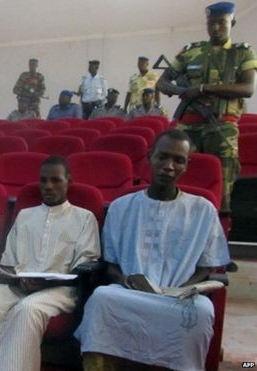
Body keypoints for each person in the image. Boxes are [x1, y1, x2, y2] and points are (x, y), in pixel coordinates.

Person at [74, 129, 231, 371]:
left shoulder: (203, 210)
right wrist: (124, 280)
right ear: (150, 157)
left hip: (177, 298)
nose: (169, 166)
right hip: (131, 294)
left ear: (187, 165)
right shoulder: (121, 207)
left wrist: (182, 289)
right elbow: (112, 264)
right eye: (163, 157)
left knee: (200, 311)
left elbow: (206, 267)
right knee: (102, 299)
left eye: (178, 160)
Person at [0, 156, 100, 371]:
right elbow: (8, 261)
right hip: (18, 285)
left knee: (27, 310)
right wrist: (14, 278)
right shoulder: (25, 215)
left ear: (68, 181)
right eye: (43, 181)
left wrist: (46, 283)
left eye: (56, 180)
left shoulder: (84, 218)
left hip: (59, 290)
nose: (48, 186)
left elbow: (85, 265)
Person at [157, 1, 256, 213]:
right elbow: (162, 83)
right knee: (173, 177)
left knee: (223, 186)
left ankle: (221, 225)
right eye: (211, 23)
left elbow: (248, 88)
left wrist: (202, 88)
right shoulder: (192, 51)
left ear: (233, 22)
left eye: (221, 23)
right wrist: (183, 92)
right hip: (188, 126)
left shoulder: (242, 53)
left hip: (222, 126)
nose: (216, 28)